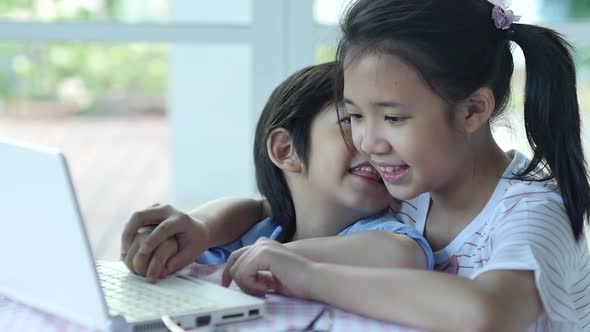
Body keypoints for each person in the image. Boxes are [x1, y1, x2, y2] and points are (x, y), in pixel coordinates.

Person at [125, 0, 590, 330]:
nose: (368, 142)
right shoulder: (412, 187)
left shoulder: (532, 212)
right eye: (353, 117)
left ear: (472, 110)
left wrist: (306, 274)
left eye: (393, 117)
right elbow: (271, 208)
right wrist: (203, 227)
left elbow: (489, 315)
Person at [121, 62, 433, 283]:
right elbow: (254, 207)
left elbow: (403, 256)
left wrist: (278, 256)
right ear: (286, 150)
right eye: (352, 120)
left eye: (390, 123)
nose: (375, 144)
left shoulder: (384, 234)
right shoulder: (256, 231)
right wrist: (197, 227)